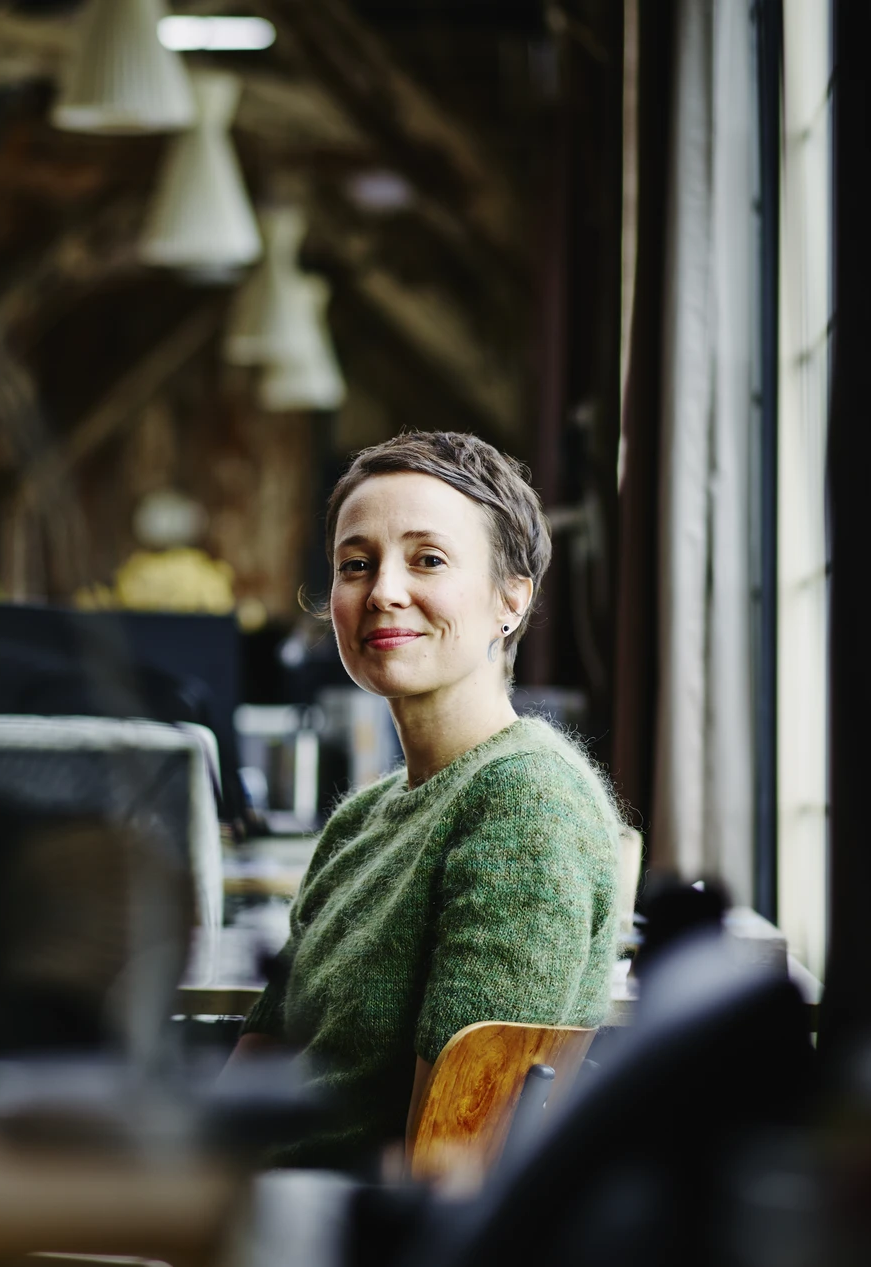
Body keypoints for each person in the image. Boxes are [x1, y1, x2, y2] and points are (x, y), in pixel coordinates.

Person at [231, 430, 622, 1171]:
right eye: (356, 564)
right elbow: (263, 1053)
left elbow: (453, 1154)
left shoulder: (526, 799)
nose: (382, 590)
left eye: (428, 559)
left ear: (512, 599)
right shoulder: (360, 819)